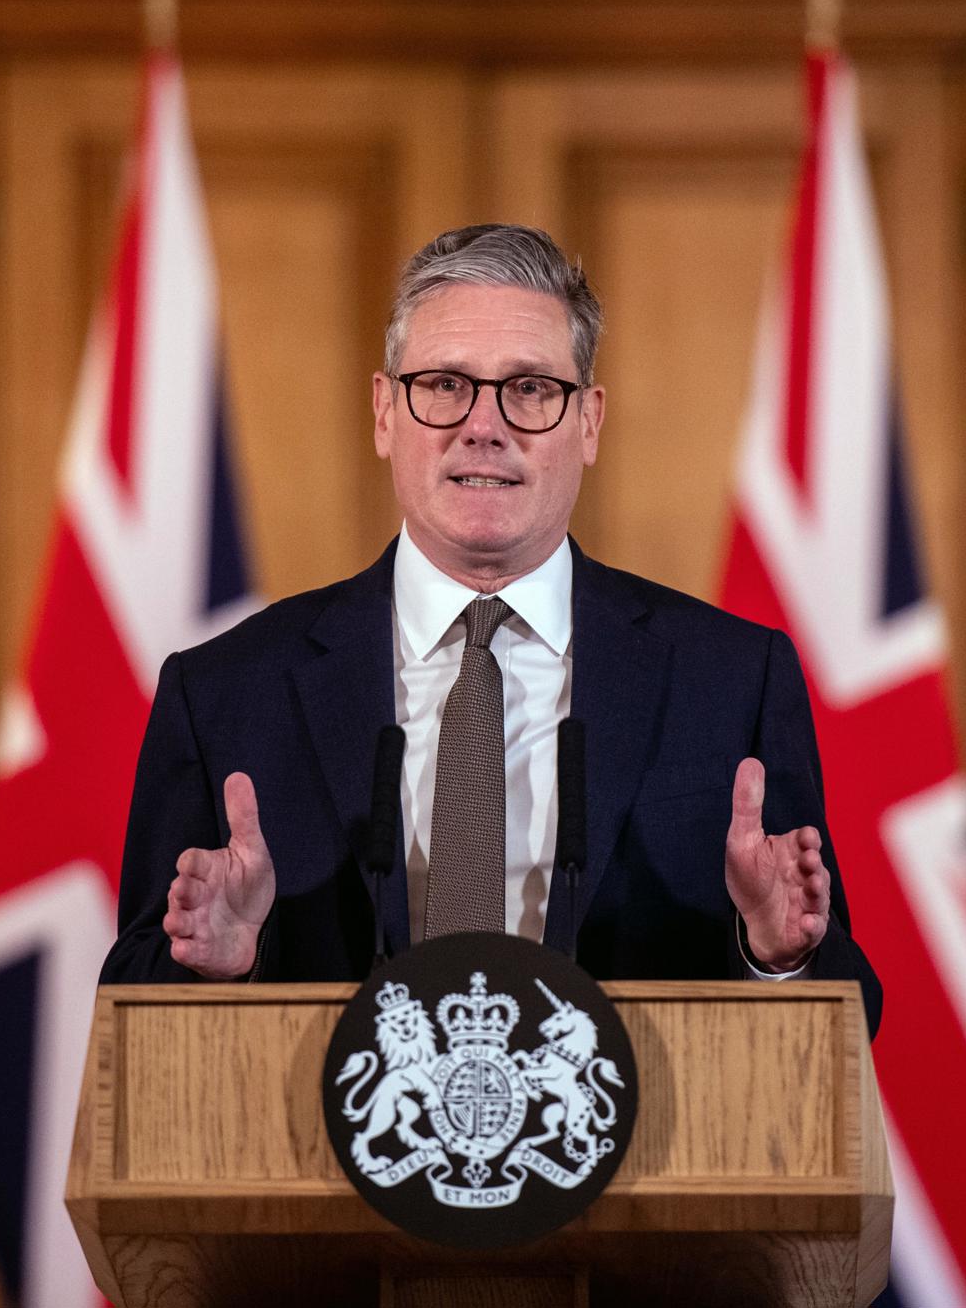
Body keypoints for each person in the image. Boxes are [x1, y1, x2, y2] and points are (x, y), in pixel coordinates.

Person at [100, 224, 880, 1033]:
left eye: (531, 389)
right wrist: (215, 966)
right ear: (383, 412)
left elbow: (850, 1010)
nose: (483, 425)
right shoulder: (228, 691)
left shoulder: (730, 681)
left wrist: (777, 957)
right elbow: (127, 995)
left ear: (589, 423)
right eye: (444, 384)